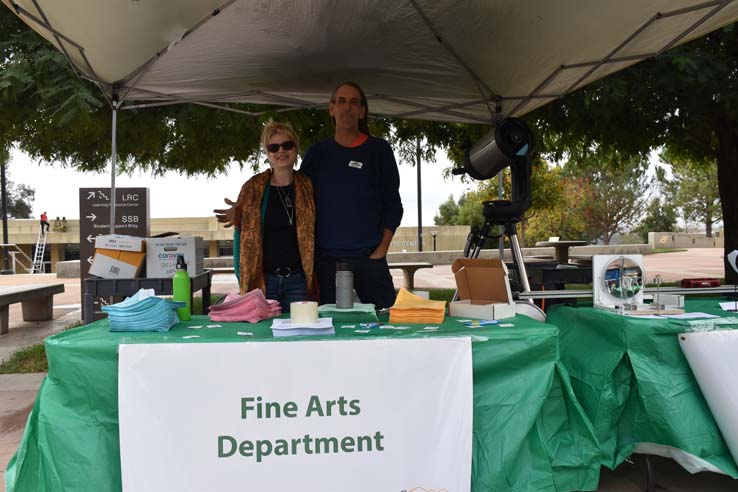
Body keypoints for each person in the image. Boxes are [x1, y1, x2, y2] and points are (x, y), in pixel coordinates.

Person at [300, 82, 403, 309]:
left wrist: (381, 250)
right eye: (342, 101)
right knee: (328, 332)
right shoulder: (317, 154)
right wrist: (246, 207)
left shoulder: (379, 151)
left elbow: (393, 205)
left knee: (386, 326)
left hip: (370, 259)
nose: (347, 108)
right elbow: (294, 195)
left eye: (354, 102)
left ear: (362, 111)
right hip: (326, 263)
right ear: (331, 108)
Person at [214, 120, 316, 311]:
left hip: (299, 281)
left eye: (287, 145)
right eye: (273, 147)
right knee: (264, 337)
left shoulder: (307, 186)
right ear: (267, 152)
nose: (281, 151)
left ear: (296, 148)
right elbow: (240, 233)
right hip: (264, 281)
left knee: (301, 336)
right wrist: (242, 276)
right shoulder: (253, 187)